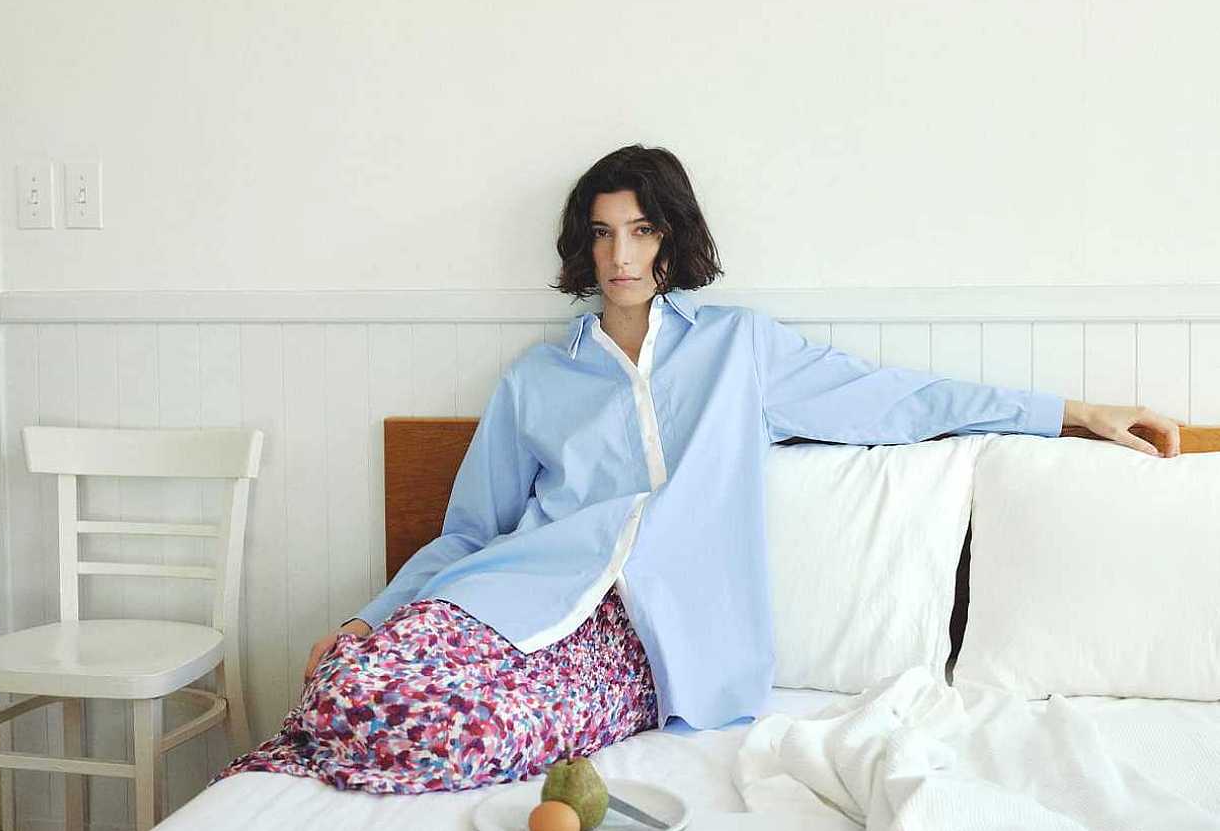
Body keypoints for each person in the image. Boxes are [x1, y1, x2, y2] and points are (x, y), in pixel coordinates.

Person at [213, 145, 1183, 795]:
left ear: (670, 238)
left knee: (452, 728)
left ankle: (327, 750)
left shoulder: (740, 351)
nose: (619, 254)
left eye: (639, 230)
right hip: (512, 595)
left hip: (640, 641)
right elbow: (470, 532)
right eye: (602, 232)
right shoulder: (538, 378)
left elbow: (901, 399)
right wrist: (370, 618)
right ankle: (307, 741)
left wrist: (1071, 412)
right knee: (352, 675)